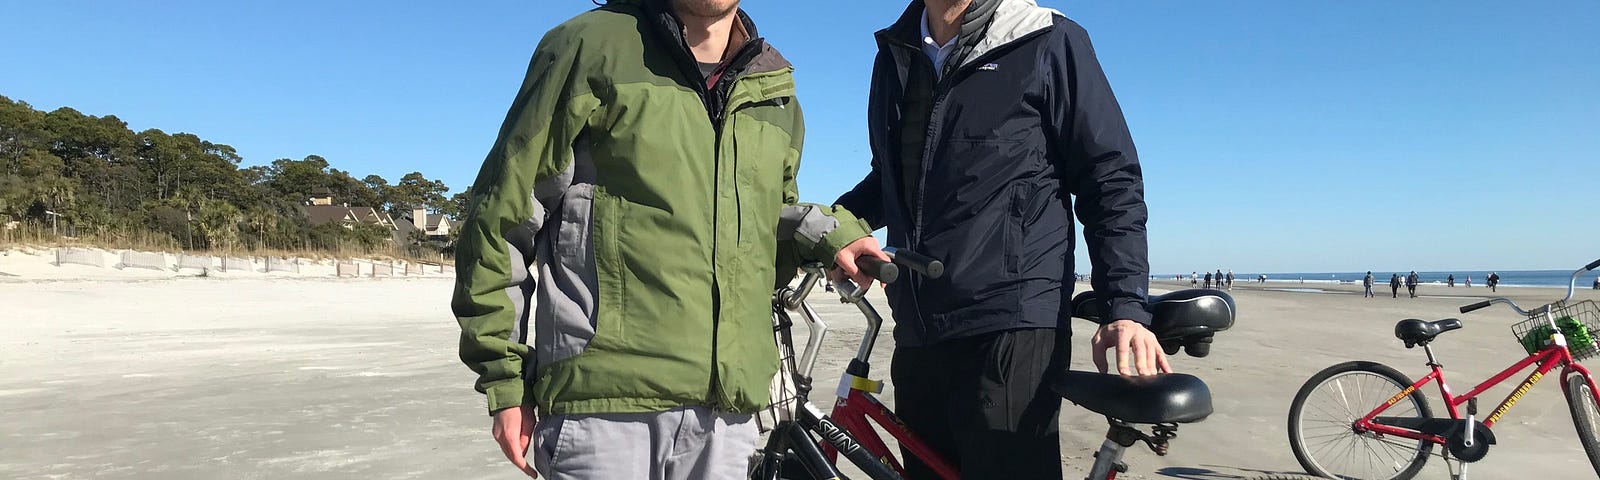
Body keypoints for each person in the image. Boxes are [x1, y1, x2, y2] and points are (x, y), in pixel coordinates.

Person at [451, 1, 889, 477]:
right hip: (605, 411)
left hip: (728, 419)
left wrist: (832, 235)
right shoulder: (590, 47)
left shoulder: (773, 86)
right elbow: (502, 217)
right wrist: (505, 376)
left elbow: (761, 225)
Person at [833, 0, 1166, 476]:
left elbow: (1109, 180)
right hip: (918, 323)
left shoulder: (1046, 39)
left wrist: (1126, 307)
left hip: (1010, 321)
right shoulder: (896, 52)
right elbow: (891, 179)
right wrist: (834, 228)